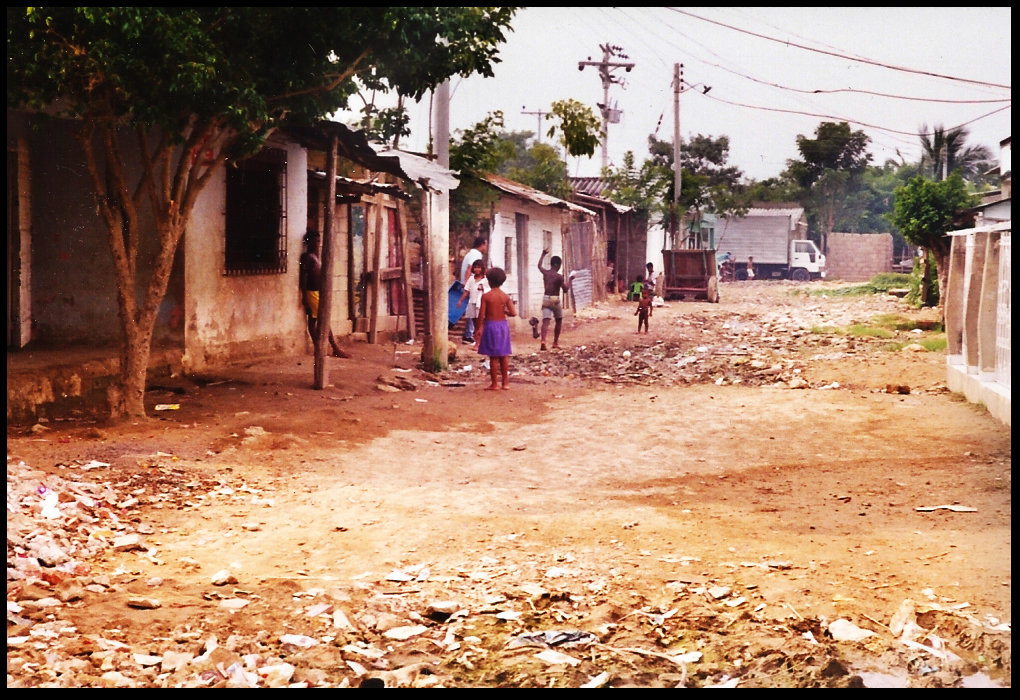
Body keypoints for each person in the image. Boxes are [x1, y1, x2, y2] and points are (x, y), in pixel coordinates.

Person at [474, 267, 517, 391]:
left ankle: (494, 384)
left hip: (491, 326)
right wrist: (504, 311)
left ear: (488, 281)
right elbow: (513, 313)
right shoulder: (505, 297)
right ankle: (505, 383)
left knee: (493, 356)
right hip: (503, 326)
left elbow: (481, 314)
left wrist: (478, 328)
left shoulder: (486, 296)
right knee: (504, 355)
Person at [538, 249, 571, 351]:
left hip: (546, 298)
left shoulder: (546, 273)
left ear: (551, 264)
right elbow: (565, 290)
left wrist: (543, 254)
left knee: (545, 321)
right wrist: (570, 280)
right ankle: (555, 342)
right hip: (555, 299)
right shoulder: (559, 277)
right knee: (559, 320)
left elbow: (539, 266)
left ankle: (543, 341)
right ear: (558, 265)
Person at [457, 259, 489, 344]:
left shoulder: (485, 279)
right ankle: (478, 341)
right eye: (475, 267)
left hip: (480, 304)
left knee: (480, 323)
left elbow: (489, 290)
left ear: (482, 268)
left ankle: (479, 343)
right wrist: (460, 301)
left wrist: (483, 289)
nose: (477, 269)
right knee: (475, 323)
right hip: (472, 302)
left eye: (479, 267)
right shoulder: (471, 279)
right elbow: (467, 291)